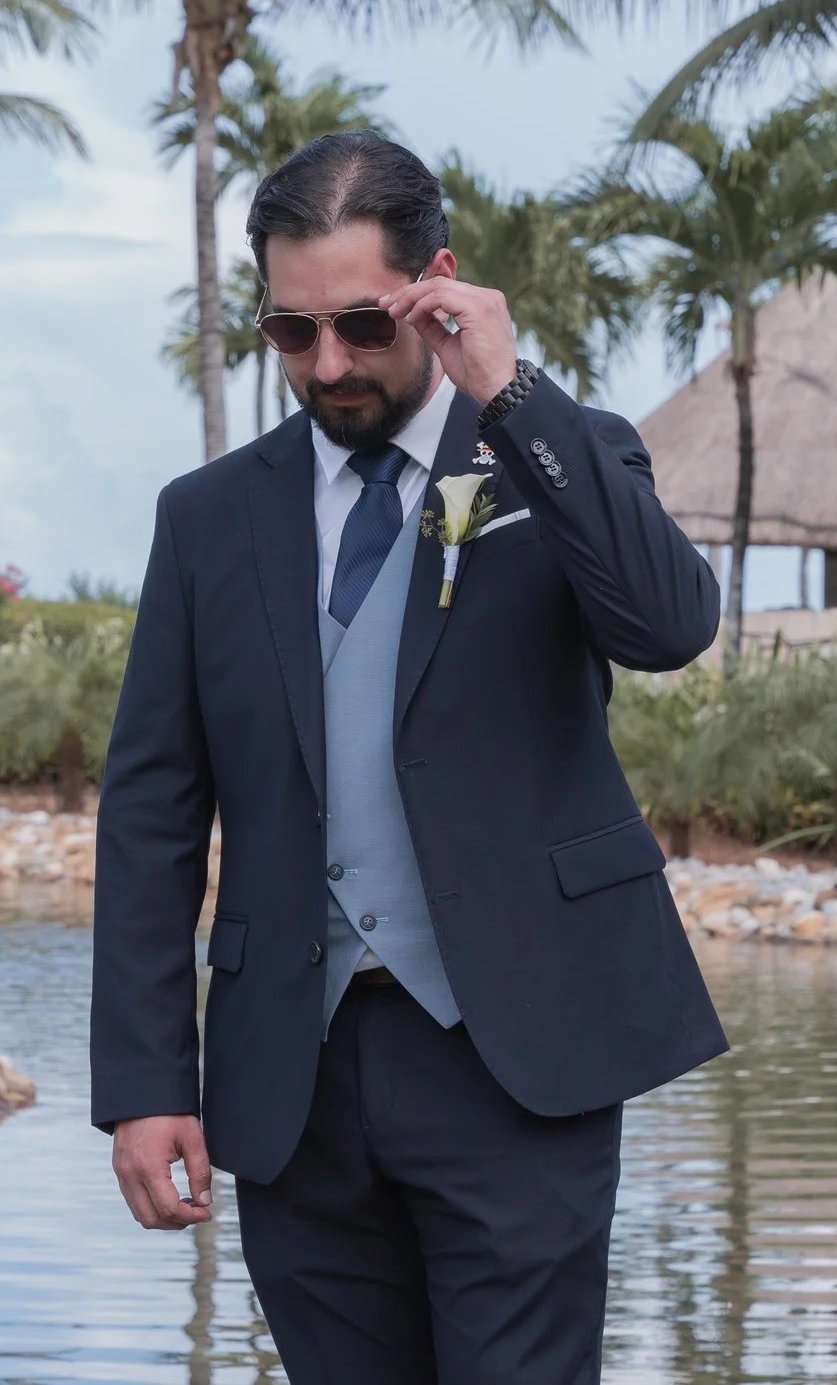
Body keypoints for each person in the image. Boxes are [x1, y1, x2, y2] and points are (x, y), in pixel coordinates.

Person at [91, 132, 727, 1382]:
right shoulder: (207, 517)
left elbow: (669, 625)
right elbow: (152, 808)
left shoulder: (553, 452)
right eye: (289, 333)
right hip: (293, 1071)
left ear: (434, 286)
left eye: (361, 327)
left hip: (516, 1054)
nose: (327, 364)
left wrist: (513, 395)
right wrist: (144, 1079)